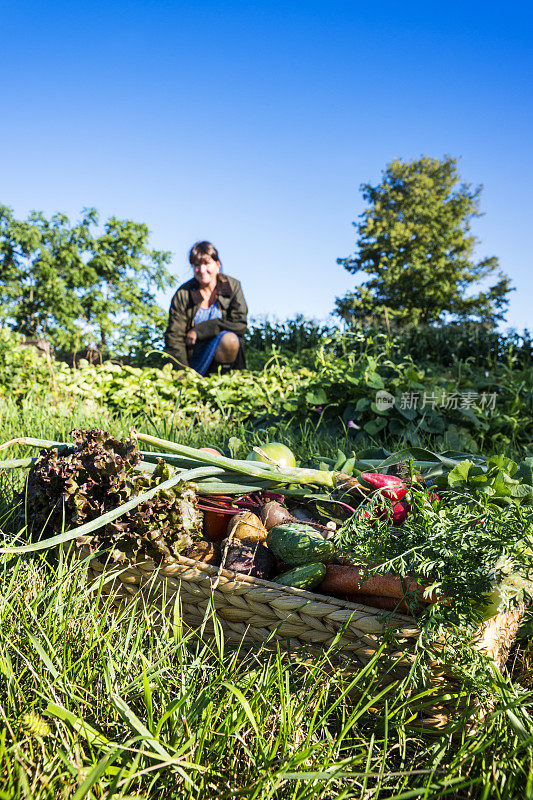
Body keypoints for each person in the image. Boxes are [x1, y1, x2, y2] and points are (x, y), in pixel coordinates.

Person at [164, 241, 248, 375]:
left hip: (225, 357)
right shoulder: (183, 293)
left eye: (207, 263)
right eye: (197, 265)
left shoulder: (232, 287)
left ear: (217, 265)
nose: (202, 270)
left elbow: (240, 325)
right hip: (194, 358)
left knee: (229, 339)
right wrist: (182, 373)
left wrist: (200, 330)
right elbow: (174, 337)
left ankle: (224, 381)